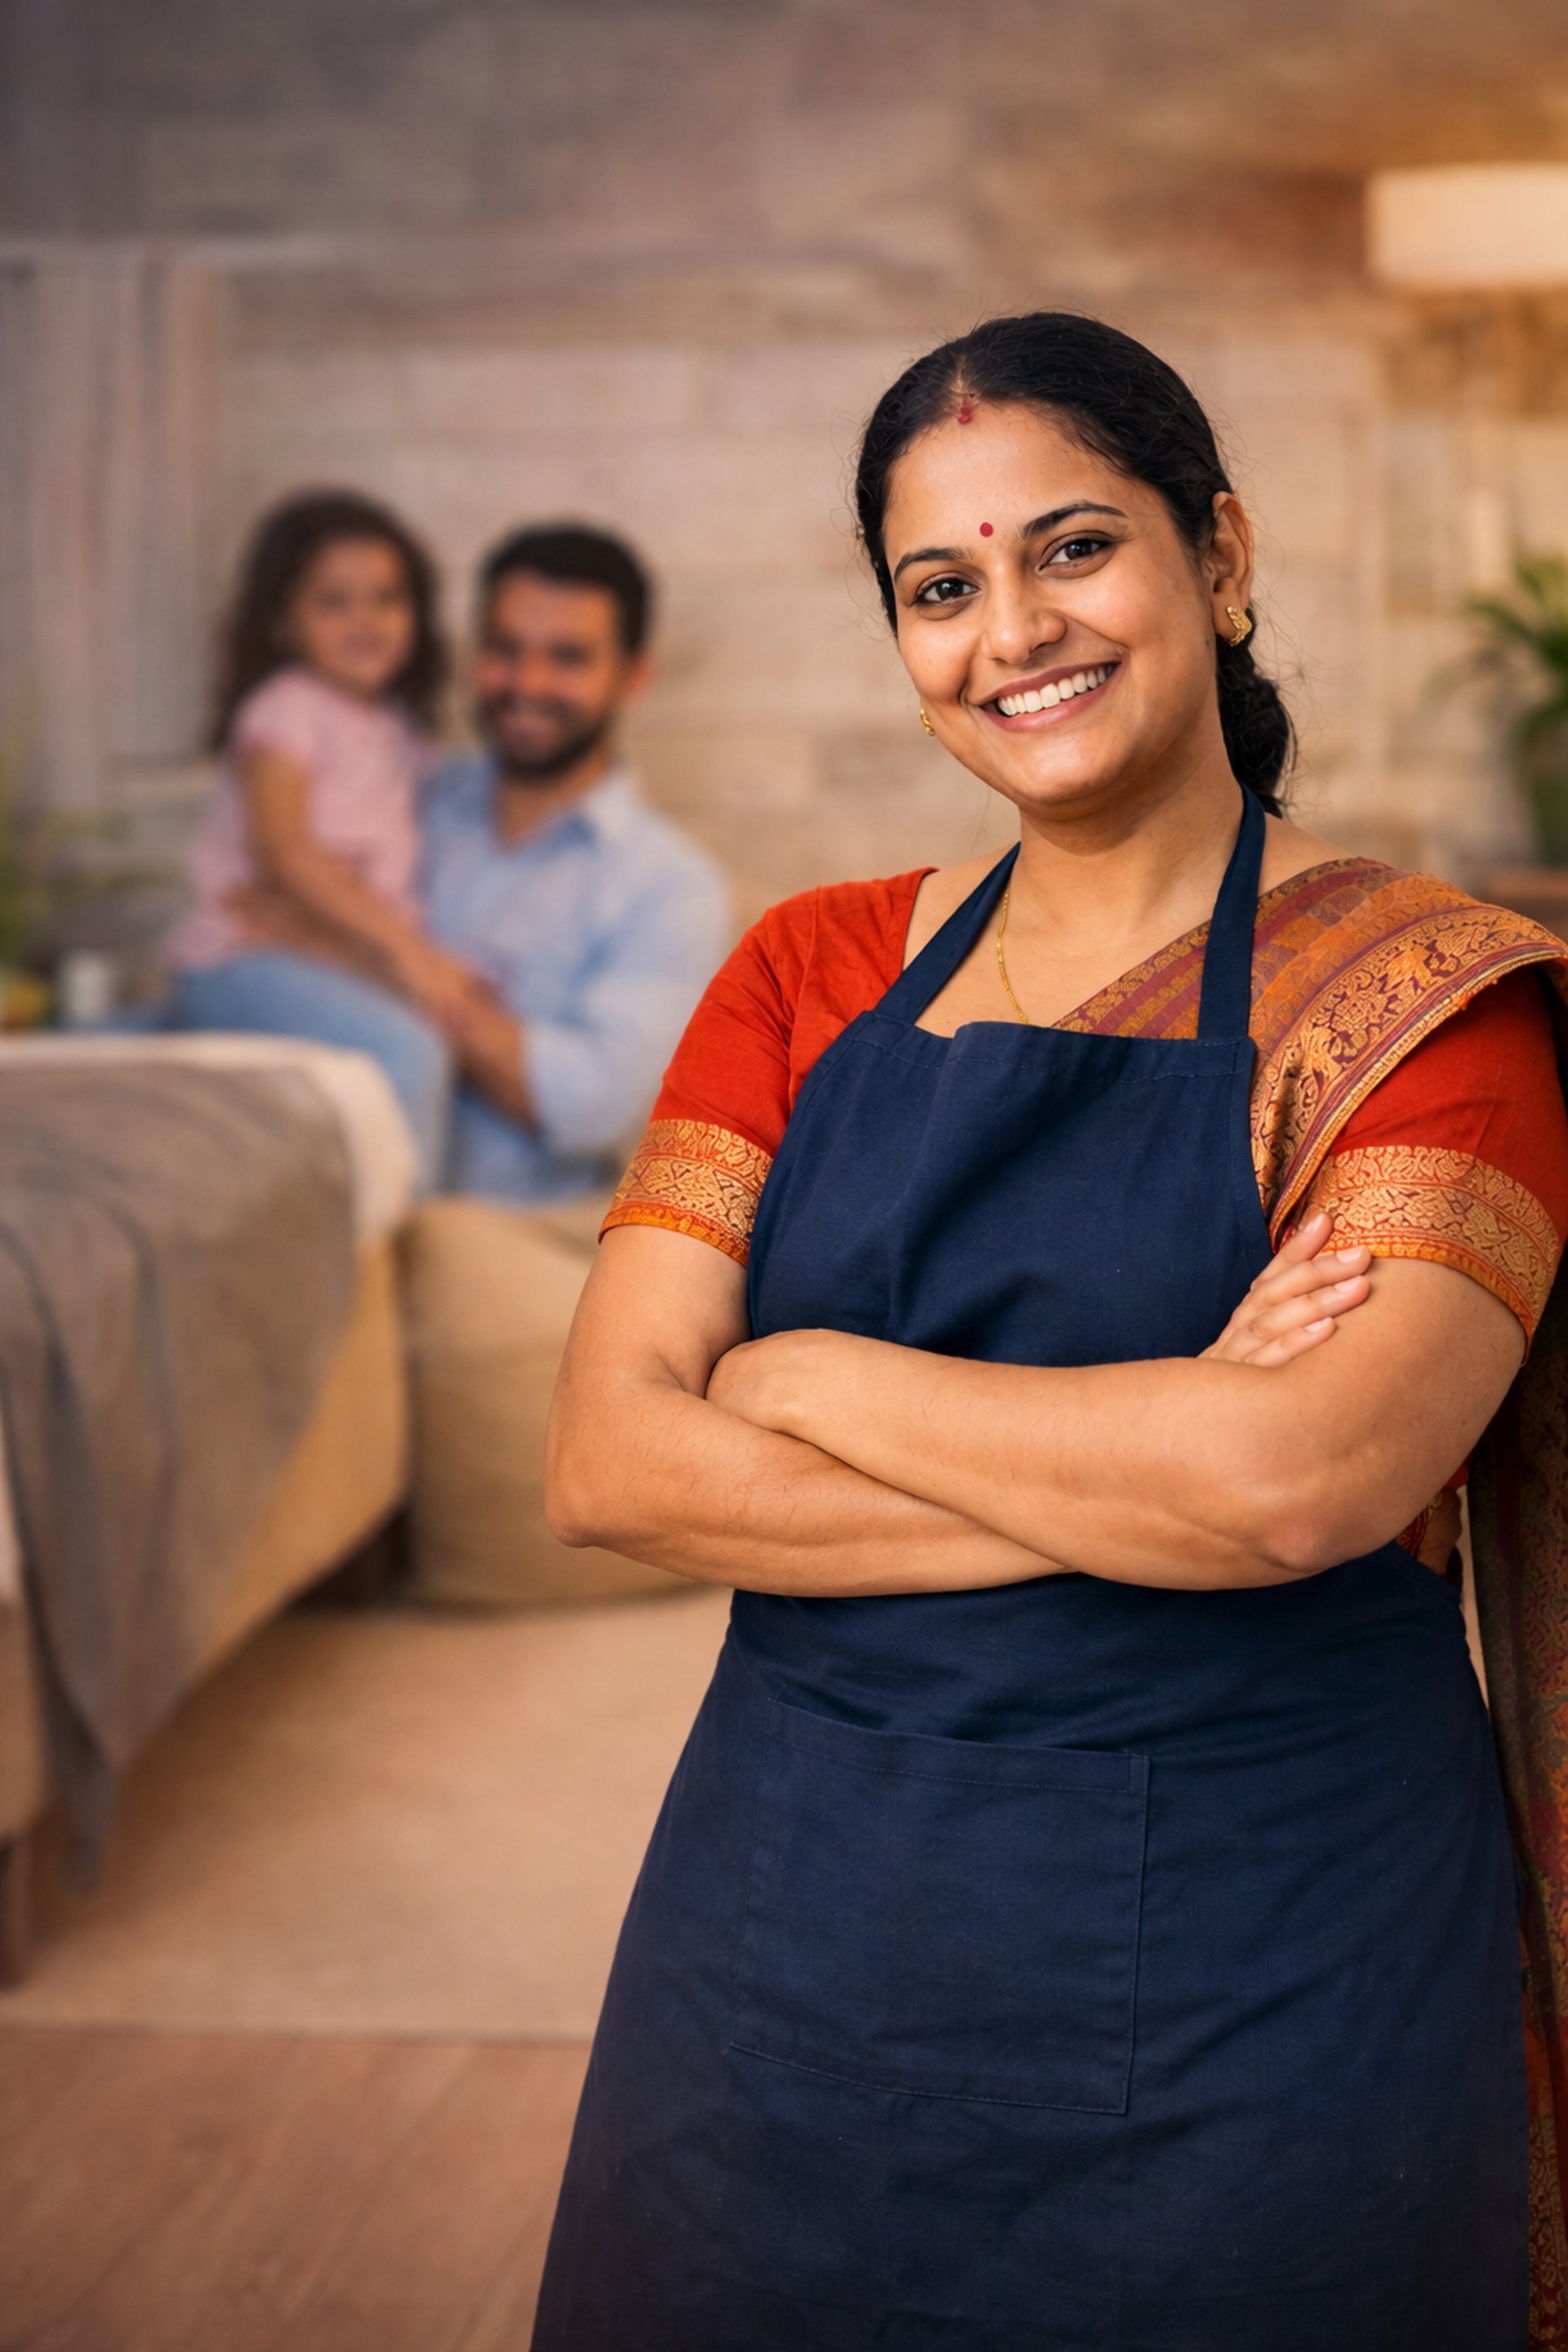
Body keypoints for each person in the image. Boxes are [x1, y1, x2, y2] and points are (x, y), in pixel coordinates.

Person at [532, 314, 1568, 2350]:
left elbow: (1303, 1483)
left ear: (1222, 556)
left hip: (1264, 1991)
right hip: (777, 1959)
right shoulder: (805, 969)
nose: (1011, 629)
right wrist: (1150, 1458)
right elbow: (607, 1461)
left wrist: (806, 1382)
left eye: (1072, 549)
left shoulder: (1431, 1007)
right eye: (941, 587)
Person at [165, 490, 473, 1190]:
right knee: (411, 1051)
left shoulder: (397, 730)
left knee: (434, 1032)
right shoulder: (287, 710)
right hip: (238, 956)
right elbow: (286, 854)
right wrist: (411, 955)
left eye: (387, 598)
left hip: (318, 954)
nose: (365, 621)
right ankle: (397, 1253)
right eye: (334, 601)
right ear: (283, 618)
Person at [418, 524, 728, 1204]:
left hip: (511, 1251)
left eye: (568, 658)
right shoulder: (412, 801)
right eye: (505, 649)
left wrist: (394, 966)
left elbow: (591, 1106)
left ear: (633, 676)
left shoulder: (672, 887)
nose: (528, 682)